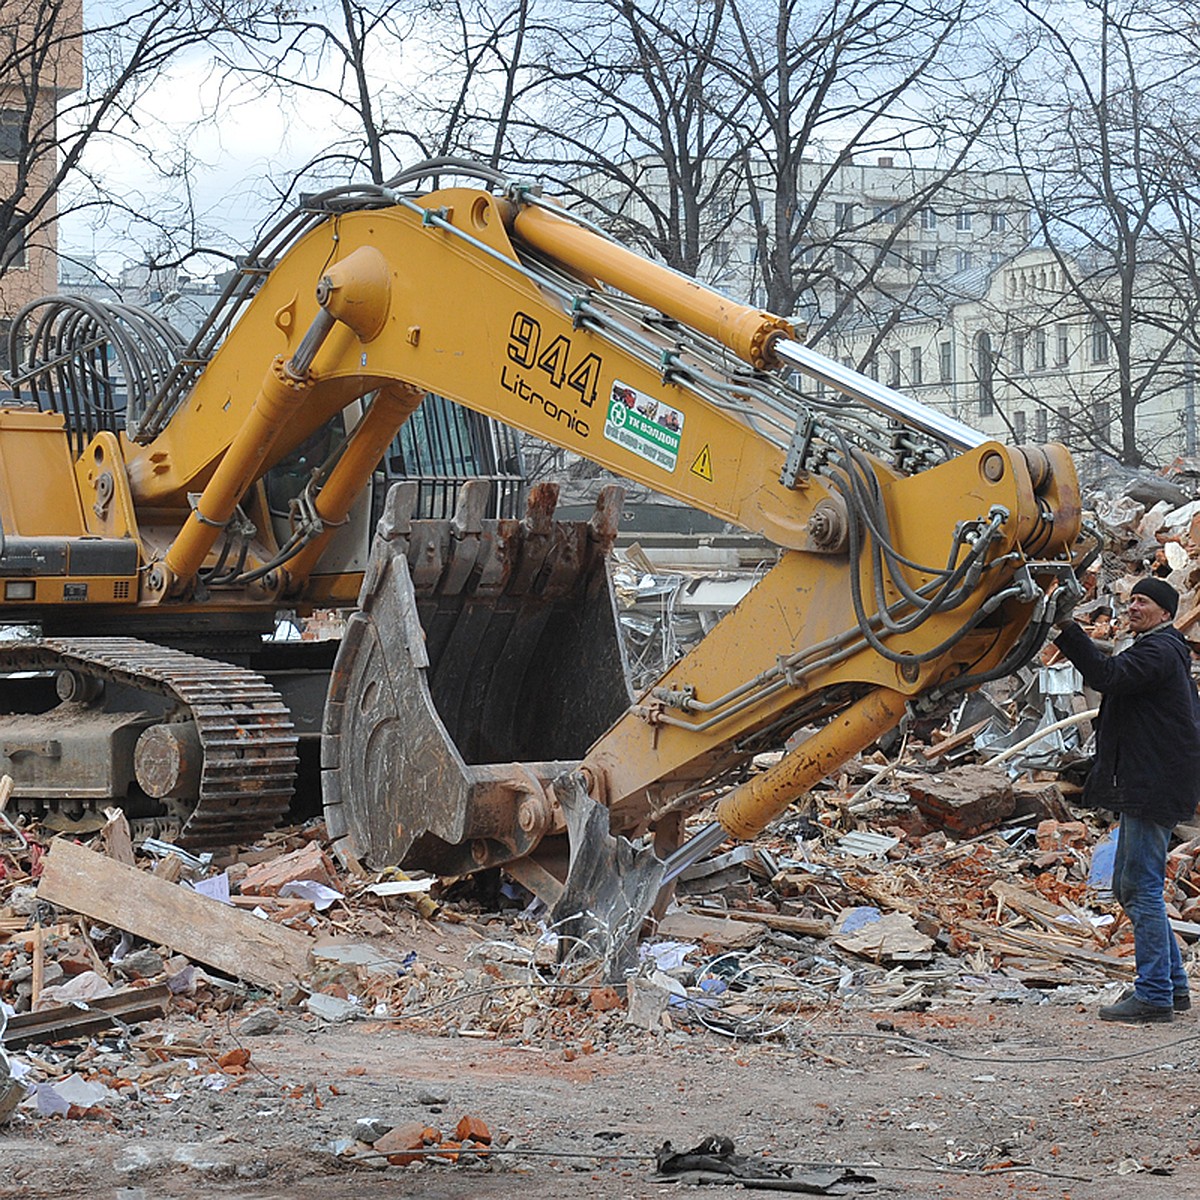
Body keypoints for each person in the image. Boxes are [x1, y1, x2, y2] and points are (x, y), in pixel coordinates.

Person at [1054, 577, 1200, 1023]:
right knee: (1131, 886)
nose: (1132, 606)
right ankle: (1172, 988)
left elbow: (1107, 677)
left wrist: (1065, 628)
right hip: (1151, 781)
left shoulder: (1157, 653)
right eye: (1132, 599)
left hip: (1152, 785)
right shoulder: (1160, 650)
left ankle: (1154, 993)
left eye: (1144, 601)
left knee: (1139, 888)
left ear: (1166, 613)